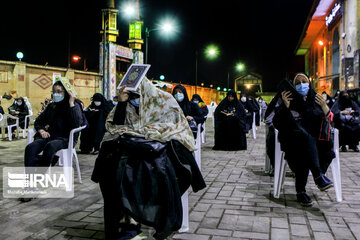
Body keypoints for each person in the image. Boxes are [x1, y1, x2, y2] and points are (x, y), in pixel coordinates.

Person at [91, 78, 206, 240]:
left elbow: (178, 131)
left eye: (136, 95)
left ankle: (150, 218)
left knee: (148, 173)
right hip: (132, 152)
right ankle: (127, 224)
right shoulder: (128, 105)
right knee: (116, 171)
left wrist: (153, 134)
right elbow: (115, 126)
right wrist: (123, 103)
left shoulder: (164, 101)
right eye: (131, 97)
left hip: (162, 153)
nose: (135, 100)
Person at [273, 73, 335, 207]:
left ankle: (301, 191)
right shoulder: (287, 99)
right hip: (292, 143)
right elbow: (276, 122)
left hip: (315, 146)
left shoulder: (316, 100)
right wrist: (286, 107)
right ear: (293, 86)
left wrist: (324, 106)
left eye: (304, 81)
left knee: (306, 146)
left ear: (309, 83)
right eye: (298, 82)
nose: (302, 84)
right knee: (303, 139)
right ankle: (318, 176)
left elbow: (330, 121)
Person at [23, 81, 86, 201]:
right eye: (54, 91)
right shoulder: (52, 106)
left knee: (50, 147)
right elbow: (39, 121)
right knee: (30, 148)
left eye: (59, 92)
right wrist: (41, 131)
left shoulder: (74, 105)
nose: (55, 94)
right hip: (50, 135)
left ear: (66, 93)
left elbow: (77, 123)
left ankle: (34, 182)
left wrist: (71, 102)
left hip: (66, 138)